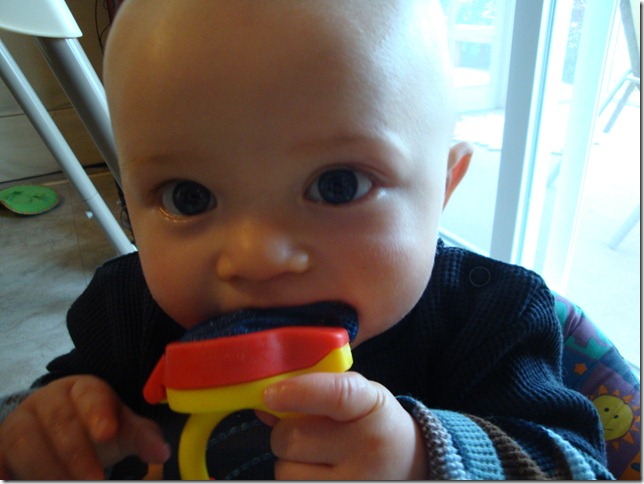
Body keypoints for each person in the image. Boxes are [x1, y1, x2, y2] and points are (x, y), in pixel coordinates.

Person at [0, 0, 612, 480]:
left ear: (444, 187)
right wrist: (46, 428)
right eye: (188, 197)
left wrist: (421, 459)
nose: (256, 257)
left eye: (338, 186)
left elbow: (580, 468)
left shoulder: (492, 319)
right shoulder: (125, 312)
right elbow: (41, 416)